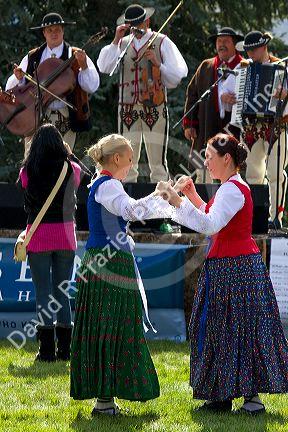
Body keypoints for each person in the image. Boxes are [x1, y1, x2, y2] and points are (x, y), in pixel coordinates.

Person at [158, 133, 288, 414]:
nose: (205, 161)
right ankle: (227, 396)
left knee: (235, 329)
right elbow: (212, 215)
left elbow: (211, 225)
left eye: (209, 156)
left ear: (226, 158)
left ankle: (242, 398)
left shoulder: (231, 189)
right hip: (232, 266)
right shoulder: (230, 187)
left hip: (236, 268)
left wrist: (178, 203)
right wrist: (192, 196)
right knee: (227, 329)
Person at [70, 133, 172, 415]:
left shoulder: (103, 185)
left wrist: (162, 199)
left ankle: (106, 400)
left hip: (104, 260)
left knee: (107, 325)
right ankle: (104, 401)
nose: (131, 165)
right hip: (109, 263)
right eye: (129, 160)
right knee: (111, 326)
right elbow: (130, 211)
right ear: (116, 159)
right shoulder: (110, 186)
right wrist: (158, 195)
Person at [97, 4, 188, 182]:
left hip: (154, 106)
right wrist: (116, 40)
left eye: (138, 23)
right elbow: (105, 67)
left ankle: (162, 202)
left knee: (158, 163)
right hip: (127, 108)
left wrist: (158, 63)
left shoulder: (161, 41)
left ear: (147, 21)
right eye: (131, 24)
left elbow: (177, 75)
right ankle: (128, 202)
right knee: (125, 161)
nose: (135, 28)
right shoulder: (122, 44)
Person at [19, 123, 81, 362]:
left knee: (43, 293)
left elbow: (24, 185)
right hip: (65, 235)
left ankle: (46, 351)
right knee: (62, 292)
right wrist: (68, 153)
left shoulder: (28, 170)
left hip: (39, 236)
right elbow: (77, 175)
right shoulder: (70, 168)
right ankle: (65, 350)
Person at [220, 31, 288, 228]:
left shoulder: (281, 68)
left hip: (275, 125)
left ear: (264, 47)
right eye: (248, 51)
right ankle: (255, 218)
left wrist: (285, 94)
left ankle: (275, 217)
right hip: (250, 126)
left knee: (276, 173)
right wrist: (228, 97)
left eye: (254, 50)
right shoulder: (243, 68)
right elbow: (226, 89)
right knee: (252, 175)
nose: (250, 54)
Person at [6, 12, 99, 154]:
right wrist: (18, 78)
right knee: (33, 162)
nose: (53, 33)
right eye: (49, 30)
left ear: (63, 31)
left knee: (62, 161)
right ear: (44, 32)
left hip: (65, 117)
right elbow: (11, 88)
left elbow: (92, 86)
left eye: (57, 29)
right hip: (36, 117)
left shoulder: (74, 54)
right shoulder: (33, 56)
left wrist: (84, 66)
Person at [183, 27, 243, 183]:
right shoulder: (206, 66)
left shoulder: (244, 67)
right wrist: (189, 124)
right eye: (219, 41)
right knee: (202, 176)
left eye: (226, 41)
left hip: (233, 130)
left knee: (232, 172)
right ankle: (201, 206)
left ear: (235, 44)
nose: (221, 45)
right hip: (207, 129)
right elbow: (193, 93)